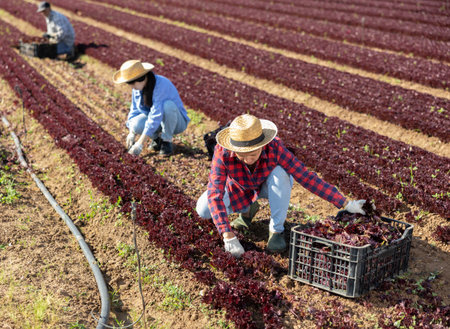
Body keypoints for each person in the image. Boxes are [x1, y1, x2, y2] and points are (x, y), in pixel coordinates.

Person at [196, 114, 368, 258]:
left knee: (281, 174)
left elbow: (305, 176)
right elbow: (214, 192)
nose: (248, 160)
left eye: (253, 154)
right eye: (242, 156)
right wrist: (228, 235)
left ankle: (276, 231)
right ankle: (247, 209)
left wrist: (345, 203)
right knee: (203, 210)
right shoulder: (222, 151)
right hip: (238, 189)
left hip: (266, 186)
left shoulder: (274, 147)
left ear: (262, 145)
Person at [113, 60, 190, 156]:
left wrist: (140, 143)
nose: (131, 87)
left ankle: (166, 141)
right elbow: (134, 111)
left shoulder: (161, 85)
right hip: (159, 122)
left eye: (131, 83)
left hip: (176, 122)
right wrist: (131, 132)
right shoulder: (137, 89)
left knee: (168, 106)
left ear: (140, 78)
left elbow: (155, 116)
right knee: (136, 124)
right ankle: (157, 139)